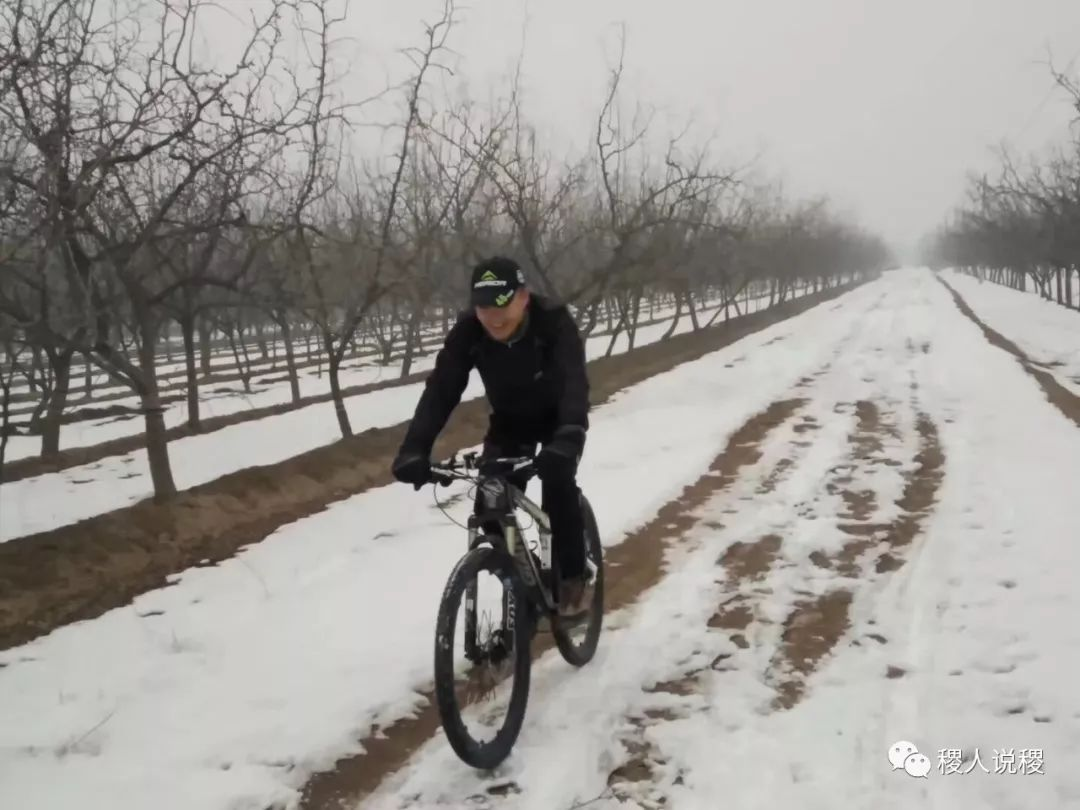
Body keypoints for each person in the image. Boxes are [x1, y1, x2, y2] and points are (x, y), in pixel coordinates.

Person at [390, 256, 593, 617]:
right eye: (483, 307)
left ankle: (574, 578)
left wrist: (570, 435)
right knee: (490, 508)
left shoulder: (553, 322)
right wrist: (414, 449)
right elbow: (442, 390)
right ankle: (524, 580)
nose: (493, 316)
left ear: (523, 296)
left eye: (502, 304)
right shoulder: (469, 331)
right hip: (511, 423)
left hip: (560, 420)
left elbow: (575, 383)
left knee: (558, 487)